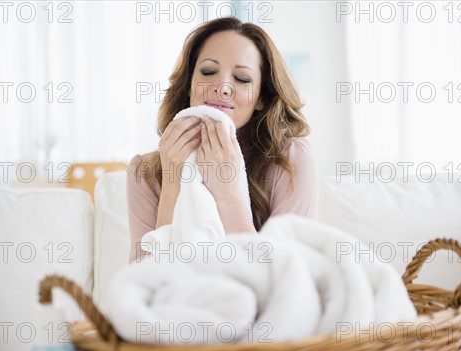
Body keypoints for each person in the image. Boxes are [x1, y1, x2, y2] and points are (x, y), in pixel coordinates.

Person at [127, 17, 319, 262]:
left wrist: (228, 193)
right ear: (189, 85)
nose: (223, 87)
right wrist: (172, 186)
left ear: (261, 97)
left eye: (242, 79)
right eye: (208, 72)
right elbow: (140, 286)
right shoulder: (144, 173)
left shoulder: (292, 160)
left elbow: (287, 280)